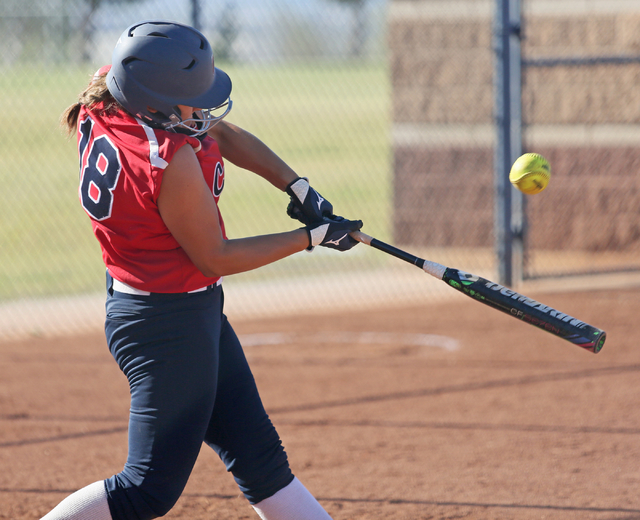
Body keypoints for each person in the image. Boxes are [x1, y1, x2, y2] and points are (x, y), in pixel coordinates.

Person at [45, 20, 363, 520]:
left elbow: (220, 131)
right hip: (166, 327)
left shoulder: (115, 92)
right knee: (145, 490)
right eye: (194, 101)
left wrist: (297, 187)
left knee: (261, 462)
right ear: (157, 103)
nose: (206, 110)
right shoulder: (165, 162)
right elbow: (215, 256)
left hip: (182, 310)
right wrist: (313, 238)